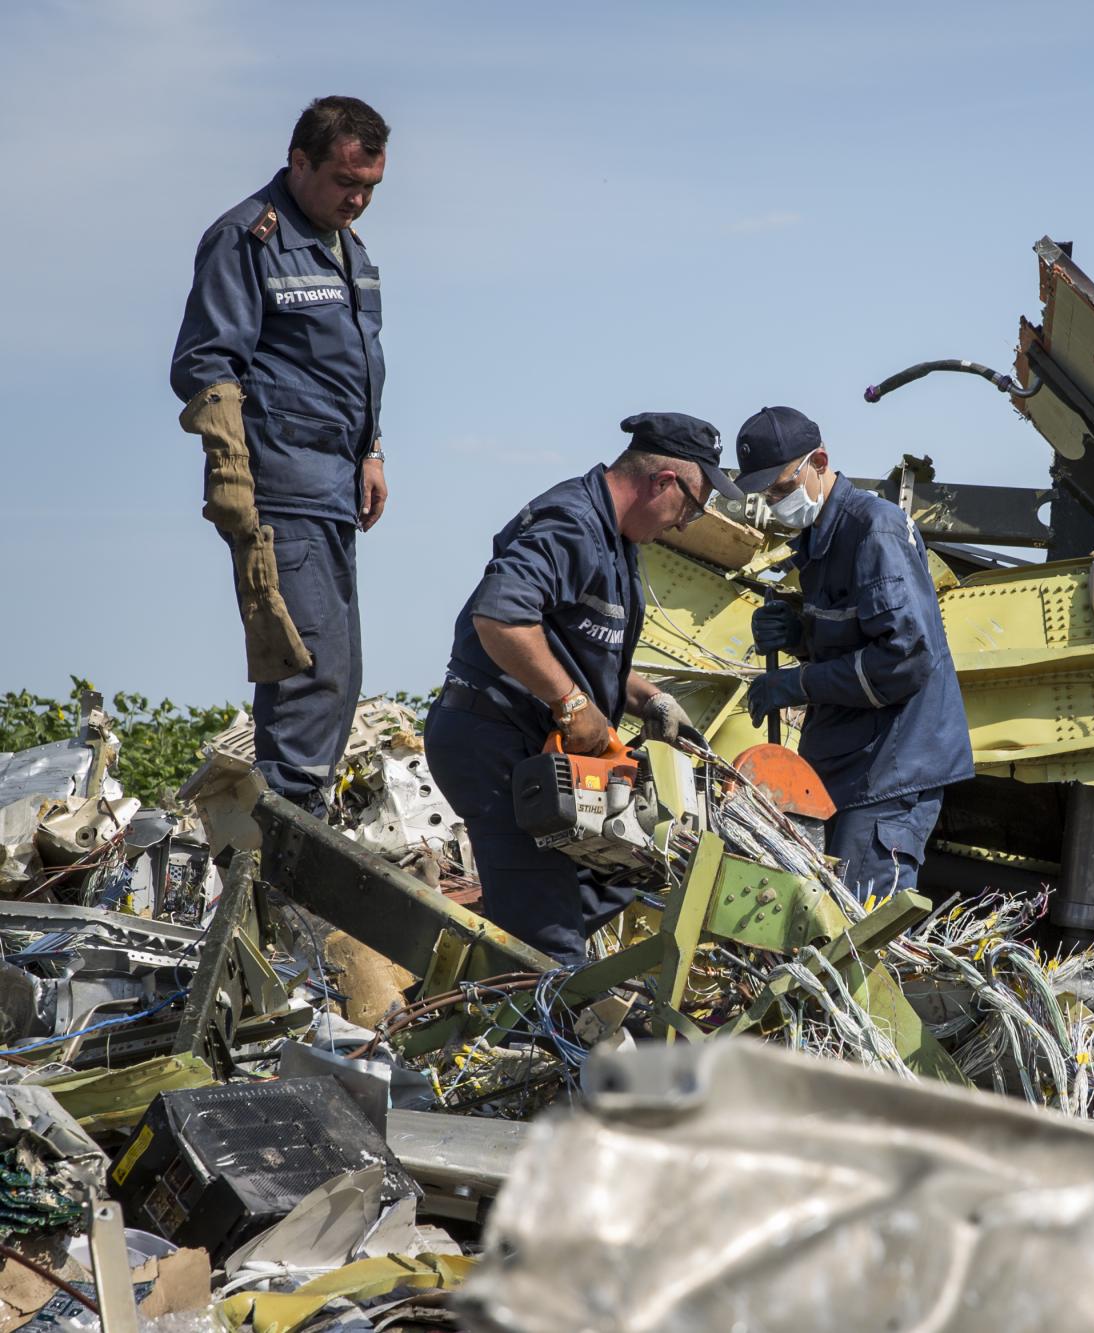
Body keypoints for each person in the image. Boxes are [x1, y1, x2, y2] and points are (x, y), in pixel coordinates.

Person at [424, 414, 740, 964]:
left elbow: (579, 651)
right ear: (663, 481)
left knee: (637, 866)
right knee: (550, 948)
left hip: (539, 752)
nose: (689, 522)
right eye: (692, 504)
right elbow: (500, 618)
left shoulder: (618, 540)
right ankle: (532, 1024)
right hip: (497, 747)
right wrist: (570, 703)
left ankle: (497, 958)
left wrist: (649, 700)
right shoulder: (571, 523)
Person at [170, 96, 393, 813]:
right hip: (283, 487)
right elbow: (208, 364)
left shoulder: (349, 250)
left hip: (335, 486)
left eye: (370, 188)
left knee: (340, 678)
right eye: (344, 183)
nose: (357, 201)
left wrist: (373, 450)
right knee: (306, 677)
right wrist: (231, 477)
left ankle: (296, 856)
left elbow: (348, 368)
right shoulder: (249, 238)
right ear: (299, 162)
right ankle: (285, 888)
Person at [733, 407, 973, 897]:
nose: (775, 504)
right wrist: (797, 633)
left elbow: (904, 659)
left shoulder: (874, 531)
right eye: (766, 495)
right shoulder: (822, 536)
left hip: (891, 770)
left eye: (781, 489)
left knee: (858, 932)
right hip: (851, 762)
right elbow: (854, 633)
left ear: (819, 461)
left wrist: (798, 684)